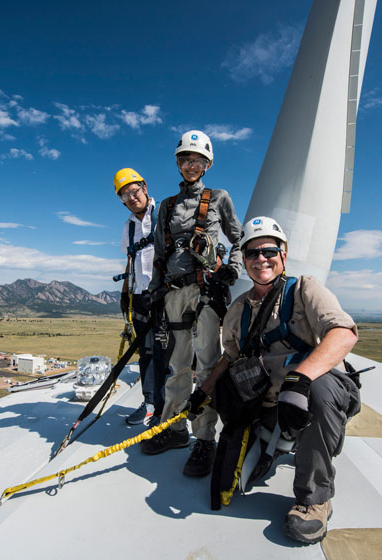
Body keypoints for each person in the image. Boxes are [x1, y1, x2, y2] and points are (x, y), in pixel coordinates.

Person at [190, 216, 360, 545]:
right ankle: (264, 444)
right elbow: (230, 359)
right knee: (229, 474)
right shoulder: (238, 310)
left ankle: (315, 500)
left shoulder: (304, 289)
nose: (260, 260)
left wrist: (301, 379)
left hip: (309, 391)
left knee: (319, 391)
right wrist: (203, 393)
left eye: (269, 251)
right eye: (251, 254)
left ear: (284, 254)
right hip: (268, 401)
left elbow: (343, 333)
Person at [141, 130, 243, 478]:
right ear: (178, 163)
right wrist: (155, 292)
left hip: (205, 293)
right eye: (186, 160)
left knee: (208, 365)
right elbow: (158, 253)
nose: (191, 165)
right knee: (178, 366)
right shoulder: (167, 206)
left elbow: (238, 237)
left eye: (198, 161)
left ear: (207, 165)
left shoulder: (219, 199)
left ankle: (204, 439)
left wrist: (233, 267)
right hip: (173, 295)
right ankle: (174, 430)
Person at [113, 167, 167, 426]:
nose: (132, 198)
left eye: (134, 191)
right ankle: (150, 403)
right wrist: (125, 295)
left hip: (166, 296)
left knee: (167, 352)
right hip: (141, 297)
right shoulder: (128, 227)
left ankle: (168, 407)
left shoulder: (165, 215)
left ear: (144, 188)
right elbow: (130, 260)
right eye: (125, 195)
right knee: (145, 353)